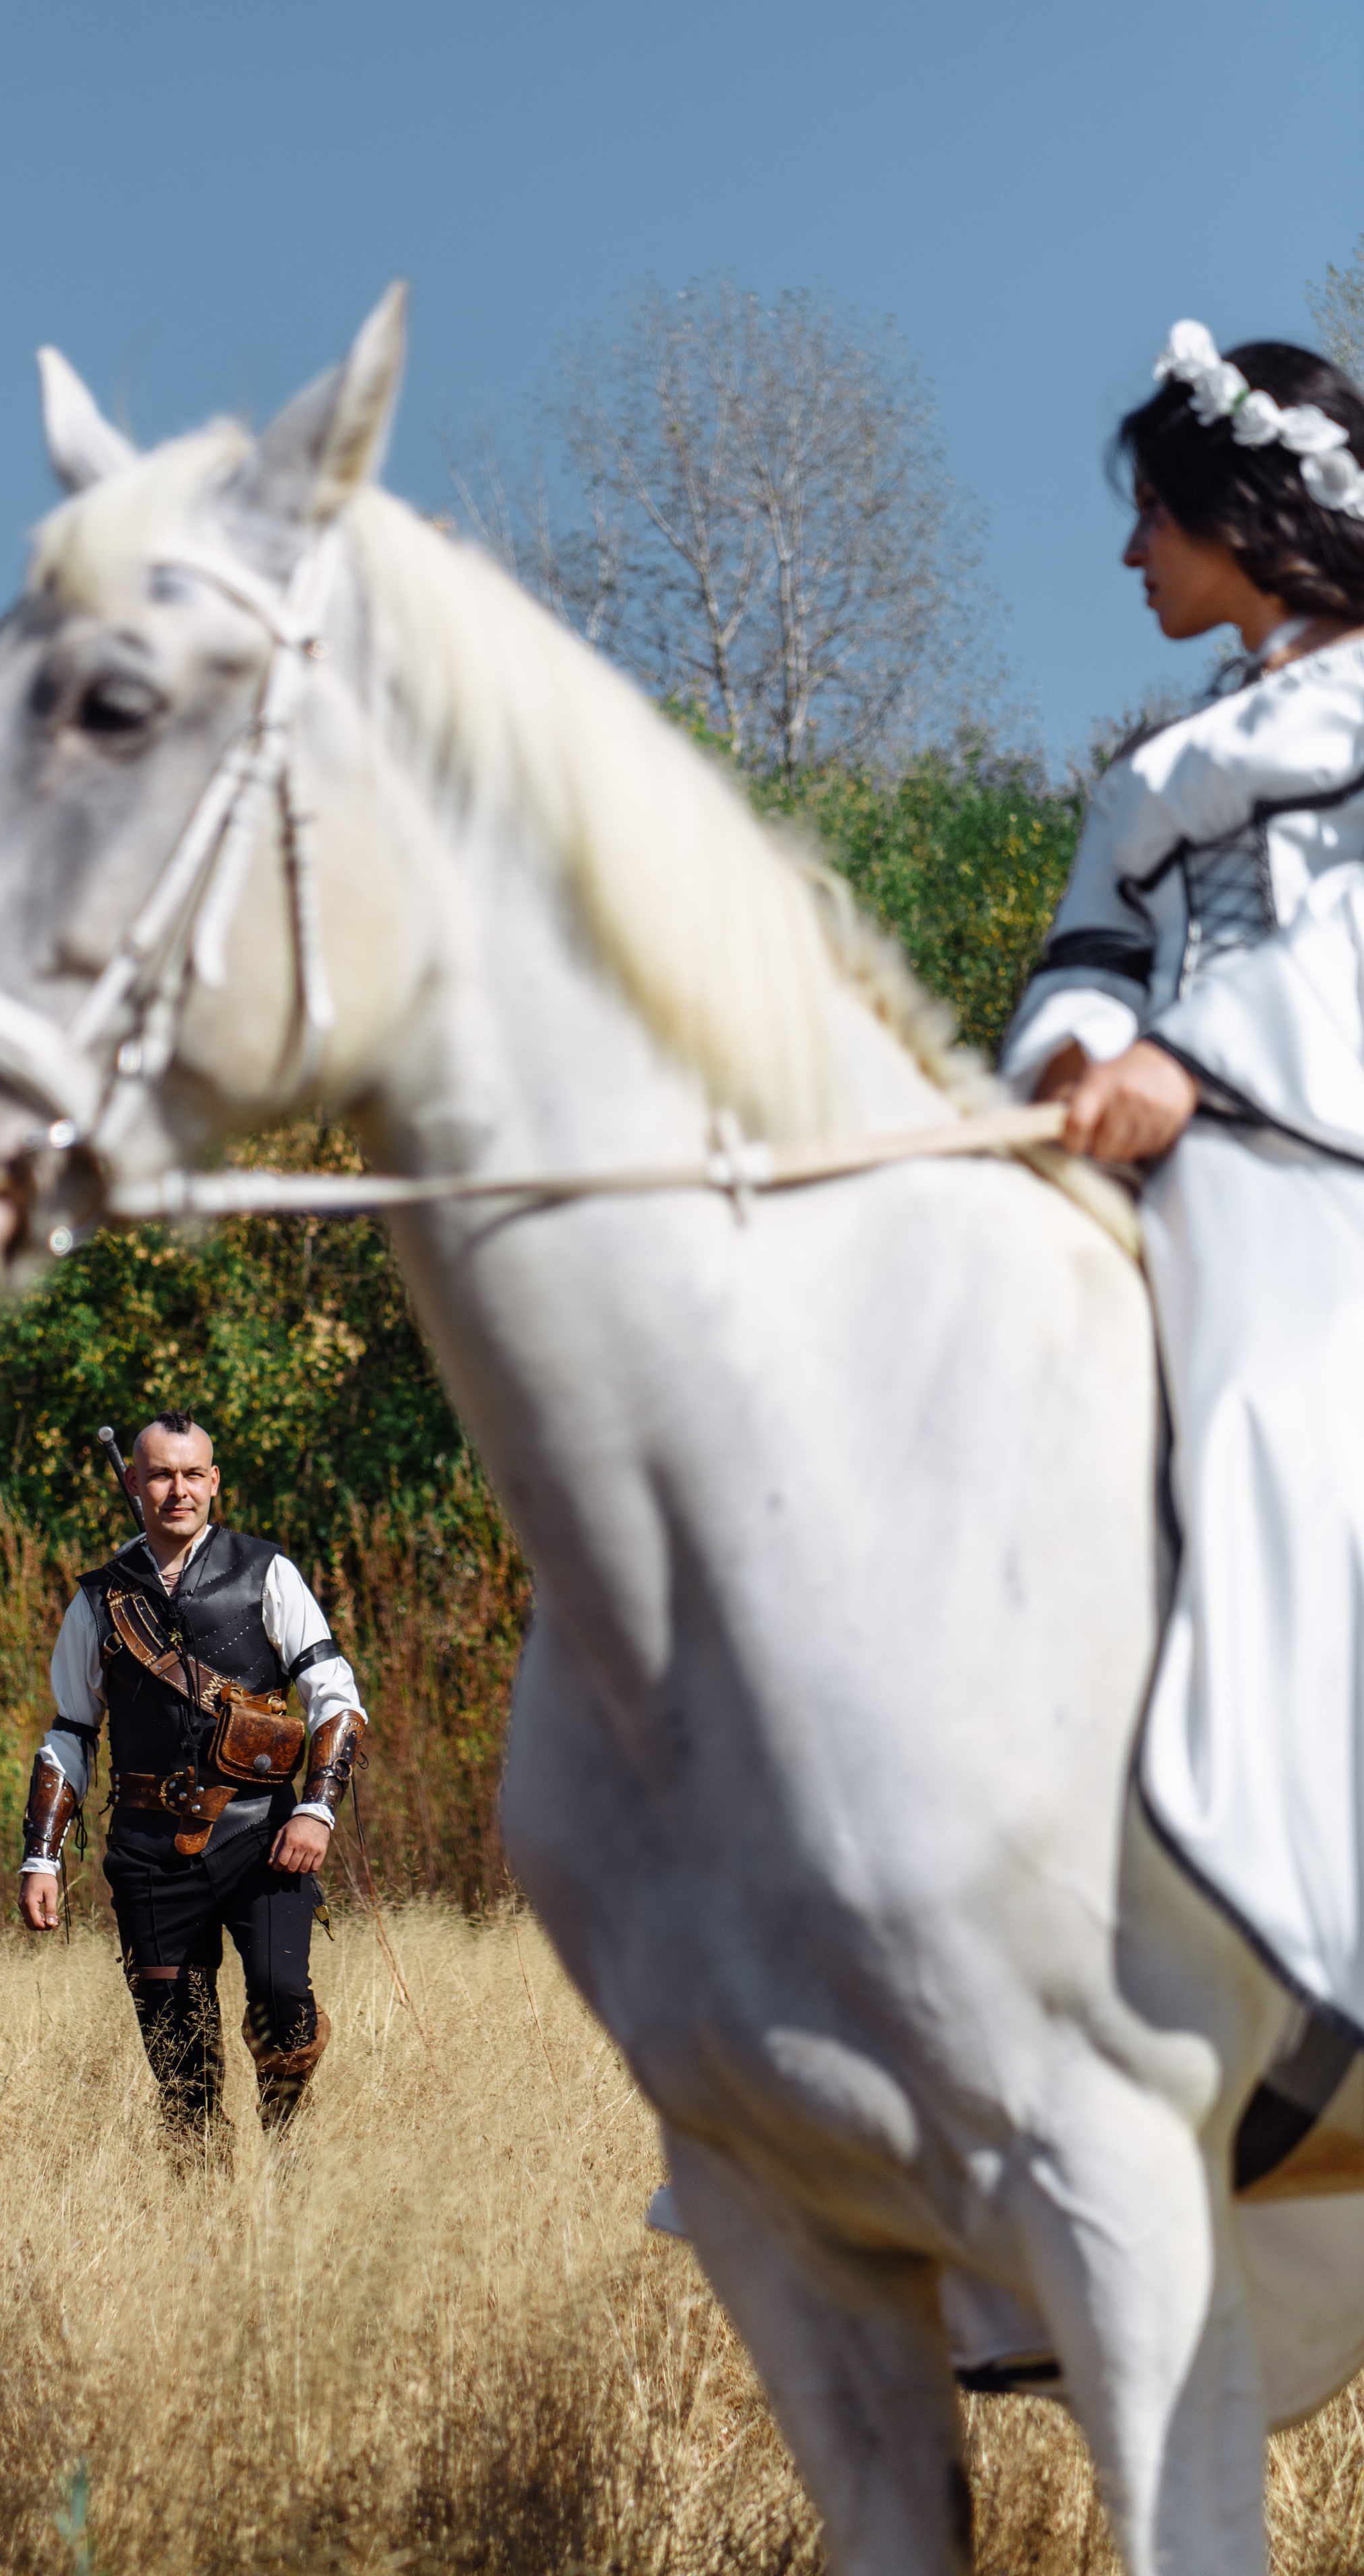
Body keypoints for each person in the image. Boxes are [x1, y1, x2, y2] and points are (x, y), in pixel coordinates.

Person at [1001, 322, 1364, 2145]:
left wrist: (1197, 1065)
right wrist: (1074, 1061)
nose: (1129, 555)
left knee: (1264, 1386)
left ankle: (1314, 1950)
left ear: (1246, 513)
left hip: (1318, 1160)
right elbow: (1086, 963)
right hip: (1166, 1158)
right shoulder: (1159, 762)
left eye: (1152, 514)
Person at [17, 1409, 365, 2159]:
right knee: (180, 2057)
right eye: (161, 1475)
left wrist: (315, 1812)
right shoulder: (99, 1599)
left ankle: (286, 2154)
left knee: (282, 2002)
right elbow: (71, 1733)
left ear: (214, 1482)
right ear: (133, 1482)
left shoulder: (266, 1571)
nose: (178, 1490)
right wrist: (41, 1857)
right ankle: (200, 2210)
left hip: (265, 1841)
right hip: (147, 1851)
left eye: (191, 1474)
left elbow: (334, 1695)